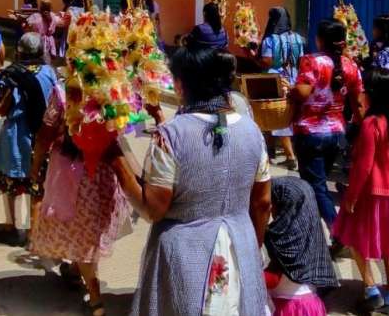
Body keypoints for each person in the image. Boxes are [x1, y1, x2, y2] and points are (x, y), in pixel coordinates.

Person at [106, 46, 272, 315]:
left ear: (181, 85)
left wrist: (116, 161)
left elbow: (153, 209)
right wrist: (253, 243)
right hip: (240, 249)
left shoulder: (171, 136)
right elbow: (262, 202)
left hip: (185, 258)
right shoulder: (252, 131)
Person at [28, 84, 132, 316]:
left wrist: (35, 166)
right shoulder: (115, 88)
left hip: (72, 172)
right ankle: (76, 269)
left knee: (81, 231)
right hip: (105, 170)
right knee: (90, 227)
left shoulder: (64, 91)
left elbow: (45, 133)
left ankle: (95, 299)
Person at [332, 67, 389, 316]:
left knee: (355, 237)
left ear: (373, 93)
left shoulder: (372, 124)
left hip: (373, 194)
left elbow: (363, 166)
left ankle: (371, 289)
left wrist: (351, 197)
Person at [0, 32, 57, 242]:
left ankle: (11, 226)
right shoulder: (49, 72)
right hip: (42, 135)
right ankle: (34, 232)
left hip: (16, 136)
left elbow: (1, 109)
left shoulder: (11, 75)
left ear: (19, 51)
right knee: (37, 184)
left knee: (10, 182)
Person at [292, 18, 364, 227]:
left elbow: (303, 93)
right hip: (337, 132)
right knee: (320, 183)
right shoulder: (352, 66)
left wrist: (291, 90)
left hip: (310, 132)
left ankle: (338, 231)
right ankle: (311, 226)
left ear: (320, 40)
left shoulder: (311, 61)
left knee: (316, 186)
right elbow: (359, 104)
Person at [264, 176, 338, 316]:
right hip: (311, 305)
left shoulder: (282, 237)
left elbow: (273, 278)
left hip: (286, 306)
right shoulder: (311, 230)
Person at [260, 7, 304, 170]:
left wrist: (251, 54)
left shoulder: (270, 40)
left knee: (278, 116)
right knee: (289, 115)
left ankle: (290, 155)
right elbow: (300, 59)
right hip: (293, 78)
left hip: (276, 80)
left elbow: (267, 61)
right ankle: (270, 152)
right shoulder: (298, 38)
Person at [25, 0, 61, 64]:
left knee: (36, 62)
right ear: (50, 7)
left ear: (40, 6)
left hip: (36, 42)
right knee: (47, 62)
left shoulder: (35, 16)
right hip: (49, 44)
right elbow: (60, 22)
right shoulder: (53, 16)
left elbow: (27, 27)